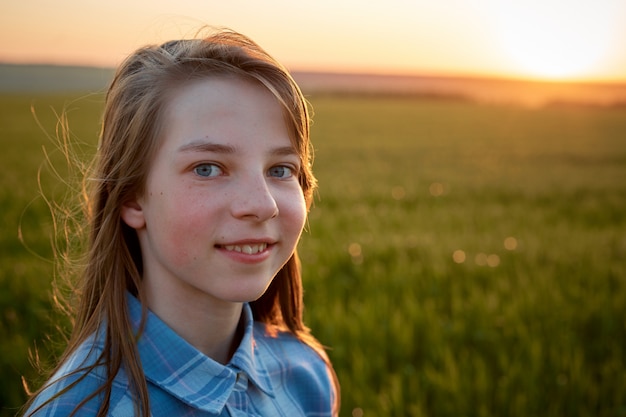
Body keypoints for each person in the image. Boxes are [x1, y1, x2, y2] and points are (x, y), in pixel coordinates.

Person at [23, 29, 339, 417]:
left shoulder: (306, 376)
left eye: (280, 169)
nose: (262, 205)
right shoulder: (81, 409)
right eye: (207, 169)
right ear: (131, 197)